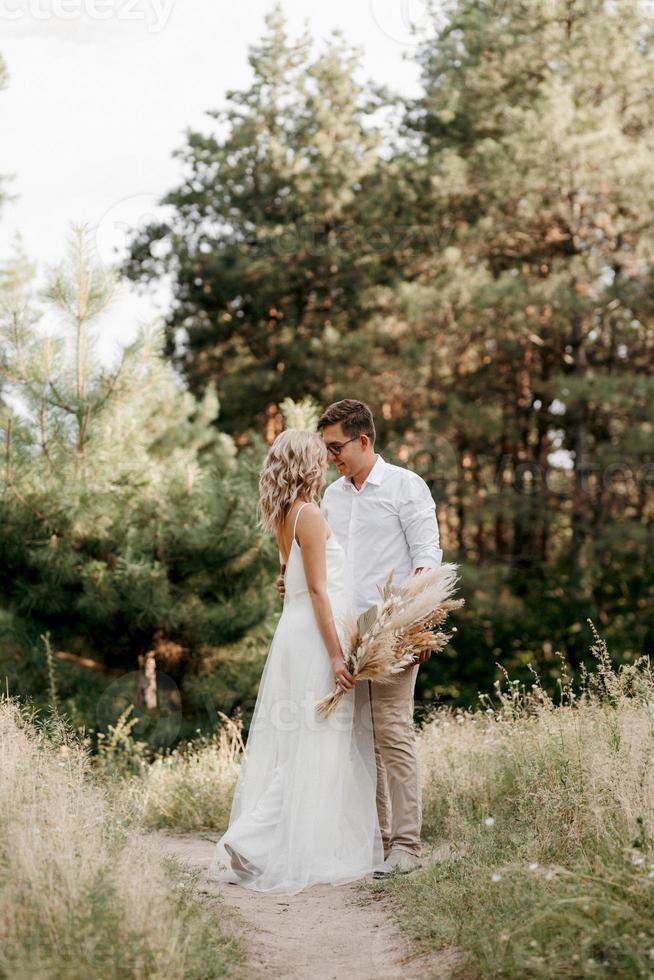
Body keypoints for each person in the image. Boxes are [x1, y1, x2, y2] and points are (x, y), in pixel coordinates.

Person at [207, 429, 384, 895]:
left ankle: (270, 842)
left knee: (302, 742)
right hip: (312, 640)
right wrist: (335, 654)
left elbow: (292, 580)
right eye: (318, 456)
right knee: (311, 744)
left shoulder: (286, 514)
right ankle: (249, 839)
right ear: (306, 465)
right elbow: (322, 591)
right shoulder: (309, 514)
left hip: (295, 632)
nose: (326, 461)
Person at [278, 400, 443, 876]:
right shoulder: (332, 497)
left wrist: (415, 616)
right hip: (344, 630)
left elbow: (427, 553)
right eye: (327, 449)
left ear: (363, 440)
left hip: (391, 625)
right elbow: (328, 564)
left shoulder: (405, 487)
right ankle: (377, 841)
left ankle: (407, 846)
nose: (331, 457)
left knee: (393, 732)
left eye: (336, 447)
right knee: (357, 739)